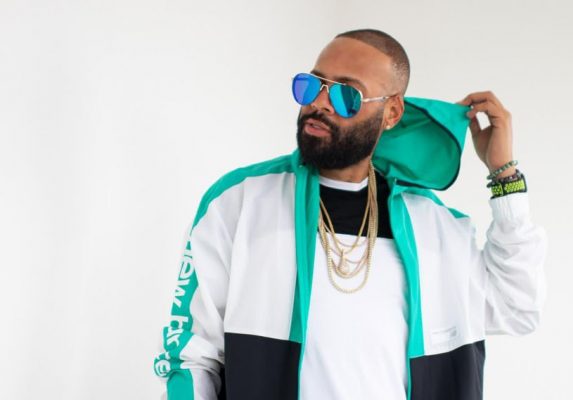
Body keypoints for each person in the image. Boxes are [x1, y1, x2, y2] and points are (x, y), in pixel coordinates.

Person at [153, 28, 547, 400]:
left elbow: (516, 309)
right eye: (312, 85)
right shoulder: (239, 202)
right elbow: (190, 355)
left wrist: (504, 174)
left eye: (347, 94)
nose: (320, 103)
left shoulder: (434, 226)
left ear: (391, 112)